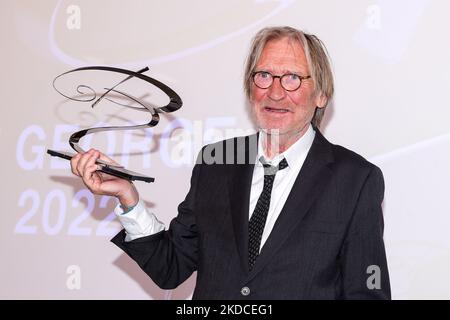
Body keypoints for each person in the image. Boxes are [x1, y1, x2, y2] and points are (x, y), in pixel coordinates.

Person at [70, 26, 391, 299]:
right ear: (250, 87)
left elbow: (367, 292)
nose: (275, 92)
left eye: (292, 78)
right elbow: (171, 269)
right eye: (264, 75)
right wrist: (128, 197)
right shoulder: (216, 163)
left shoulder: (356, 179)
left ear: (321, 94)